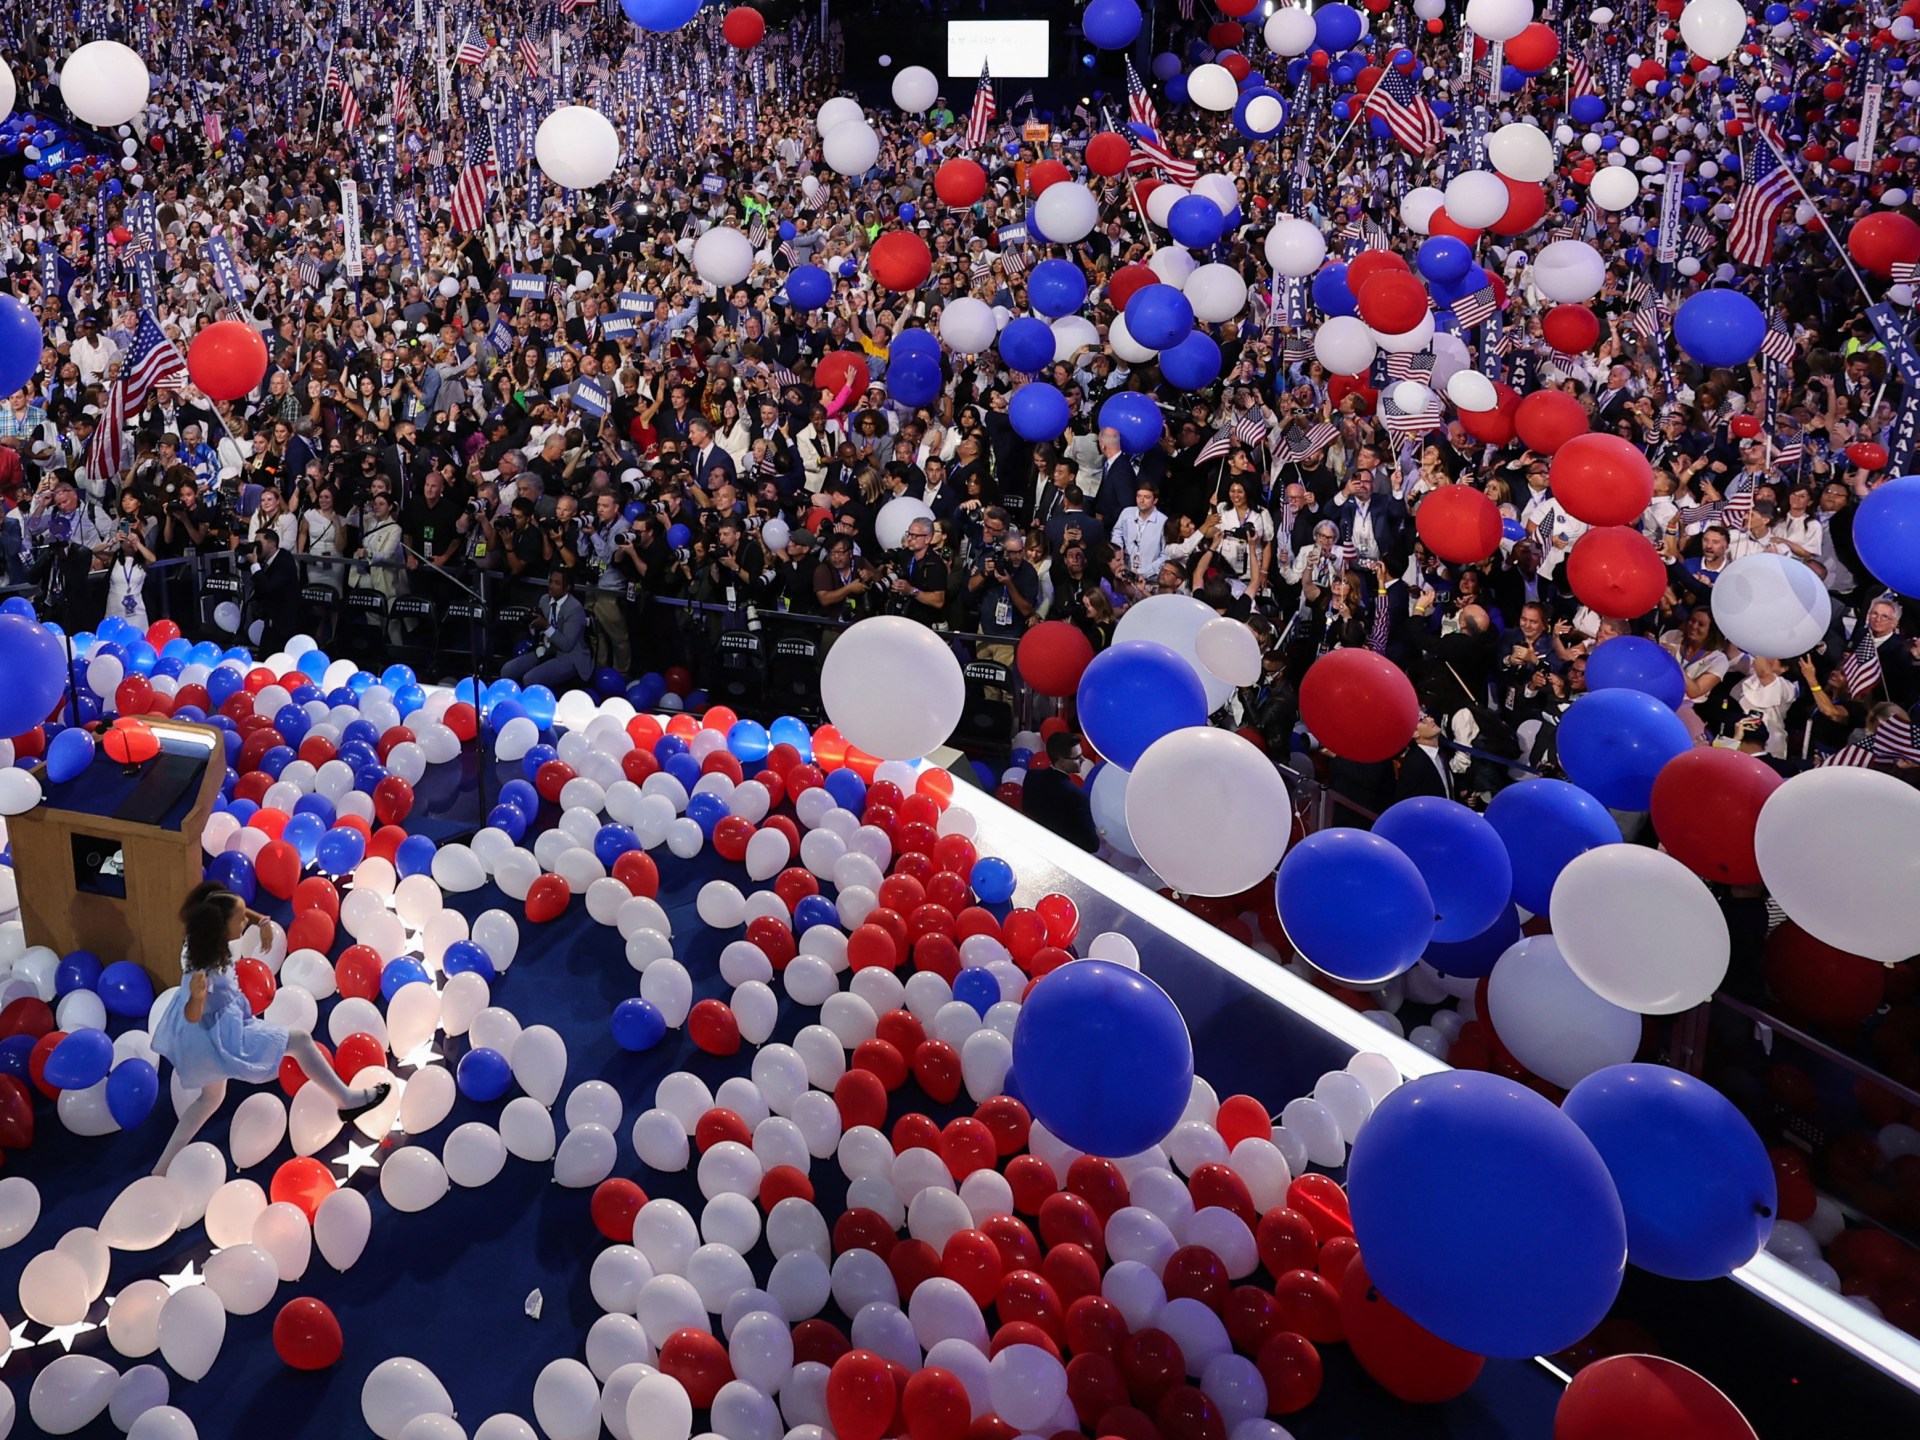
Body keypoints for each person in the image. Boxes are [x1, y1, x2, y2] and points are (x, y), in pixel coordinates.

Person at [151, 883, 388, 1176]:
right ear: (220, 926)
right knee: (299, 1040)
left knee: (209, 1099)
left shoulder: (204, 934)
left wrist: (260, 920)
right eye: (239, 920)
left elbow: (231, 908)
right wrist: (198, 998)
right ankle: (347, 1101)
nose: (243, 923)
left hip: (213, 1029)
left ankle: (160, 1169)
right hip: (218, 1035)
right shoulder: (203, 968)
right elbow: (191, 1014)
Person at [503, 570, 592, 687]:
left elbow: (567, 645)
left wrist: (545, 626)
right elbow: (539, 632)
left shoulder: (575, 609)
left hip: (569, 656)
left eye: (557, 583)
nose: (551, 586)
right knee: (507, 670)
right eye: (550, 582)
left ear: (567, 587)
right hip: (546, 650)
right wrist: (533, 625)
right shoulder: (544, 600)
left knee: (530, 679)